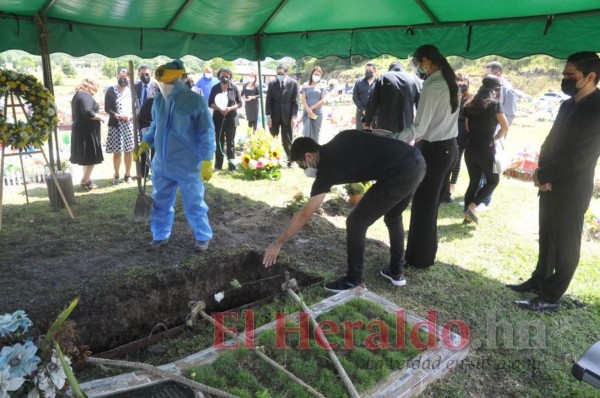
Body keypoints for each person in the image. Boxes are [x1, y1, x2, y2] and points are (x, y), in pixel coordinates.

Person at [262, 130, 426, 292]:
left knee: (356, 223)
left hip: (399, 173)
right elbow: (379, 133)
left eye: (302, 165)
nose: (304, 169)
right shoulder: (341, 137)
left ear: (308, 156)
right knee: (393, 217)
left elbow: (305, 213)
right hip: (416, 160)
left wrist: (278, 243)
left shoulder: (326, 169)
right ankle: (396, 272)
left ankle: (354, 280)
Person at [507, 52, 600, 312]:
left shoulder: (598, 107)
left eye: (571, 76)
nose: (565, 80)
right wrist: (540, 172)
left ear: (591, 77)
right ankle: (539, 279)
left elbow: (581, 156)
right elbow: (550, 140)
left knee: (566, 244)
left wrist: (546, 176)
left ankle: (550, 296)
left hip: (572, 187)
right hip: (548, 182)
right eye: (564, 74)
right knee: (547, 235)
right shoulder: (567, 104)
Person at [134, 59, 216, 252]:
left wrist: (206, 160)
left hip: (188, 164)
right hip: (162, 164)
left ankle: (202, 236)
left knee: (194, 203)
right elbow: (156, 126)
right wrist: (146, 142)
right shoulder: (159, 101)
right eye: (162, 83)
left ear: (179, 79)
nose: (164, 86)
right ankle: (160, 235)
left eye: (168, 82)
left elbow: (207, 132)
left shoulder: (195, 101)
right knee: (160, 202)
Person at [391, 44, 459, 268]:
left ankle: (418, 258)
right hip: (448, 147)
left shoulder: (433, 85)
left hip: (436, 150)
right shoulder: (449, 81)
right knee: (430, 205)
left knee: (423, 205)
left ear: (426, 62)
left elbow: (419, 128)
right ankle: (425, 254)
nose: (417, 68)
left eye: (418, 63)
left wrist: (393, 137)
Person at [462, 75, 509, 223]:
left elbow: (467, 127)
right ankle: (472, 206)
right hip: (488, 151)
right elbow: (505, 127)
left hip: (470, 150)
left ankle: (467, 216)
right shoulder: (495, 105)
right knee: (493, 180)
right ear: (496, 89)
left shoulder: (470, 104)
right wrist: (494, 138)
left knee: (473, 182)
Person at [478, 61, 518, 209]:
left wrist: (497, 136)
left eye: (487, 74)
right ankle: (478, 197)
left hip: (495, 137)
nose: (484, 77)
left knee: (491, 170)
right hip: (485, 135)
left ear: (498, 74)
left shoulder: (507, 91)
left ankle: (485, 201)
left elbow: (510, 115)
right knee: (481, 167)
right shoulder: (489, 88)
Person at [363, 61, 421, 134]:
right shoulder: (413, 80)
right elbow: (420, 105)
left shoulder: (382, 78)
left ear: (390, 69)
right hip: (406, 126)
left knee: (386, 145)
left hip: (385, 127)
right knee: (403, 145)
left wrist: (367, 122)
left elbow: (372, 103)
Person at [69, 77, 105, 191]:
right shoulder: (85, 95)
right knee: (90, 157)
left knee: (87, 157)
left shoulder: (78, 95)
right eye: (96, 87)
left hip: (82, 128)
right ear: (90, 86)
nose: (96, 90)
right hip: (86, 130)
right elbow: (89, 113)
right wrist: (102, 117)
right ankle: (84, 181)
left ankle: (87, 180)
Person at [442, 72, 472, 203]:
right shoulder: (448, 95)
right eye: (459, 80)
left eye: (464, 81)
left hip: (462, 134)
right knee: (446, 161)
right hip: (447, 132)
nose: (461, 83)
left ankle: (451, 187)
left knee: (456, 161)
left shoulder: (471, 99)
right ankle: (444, 188)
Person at [208, 67, 242, 171]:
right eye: (222, 76)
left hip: (231, 119)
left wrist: (229, 108)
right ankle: (218, 166)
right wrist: (219, 108)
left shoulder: (234, 88)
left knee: (231, 142)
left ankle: (232, 166)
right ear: (219, 76)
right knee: (219, 142)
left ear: (230, 77)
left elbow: (240, 103)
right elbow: (210, 103)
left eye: (227, 76)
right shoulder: (215, 88)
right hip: (218, 119)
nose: (225, 78)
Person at [265, 63, 299, 165]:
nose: (279, 75)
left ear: (286, 73)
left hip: (287, 117)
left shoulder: (293, 83)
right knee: (272, 138)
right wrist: (268, 116)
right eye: (277, 73)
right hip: (274, 116)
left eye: (281, 73)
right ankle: (272, 160)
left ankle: (290, 160)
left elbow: (296, 102)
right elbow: (268, 101)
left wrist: (294, 117)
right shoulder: (272, 83)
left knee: (287, 140)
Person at [105, 68, 134, 184]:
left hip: (128, 125)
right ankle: (116, 174)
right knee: (117, 152)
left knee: (129, 151)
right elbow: (107, 108)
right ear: (117, 77)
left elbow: (136, 107)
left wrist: (131, 116)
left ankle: (128, 175)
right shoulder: (111, 90)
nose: (123, 80)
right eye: (121, 78)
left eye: (125, 78)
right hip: (116, 125)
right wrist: (117, 115)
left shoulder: (131, 91)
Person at [135, 64, 159, 177]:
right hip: (141, 121)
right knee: (143, 146)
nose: (145, 76)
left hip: (154, 120)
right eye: (142, 74)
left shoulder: (157, 86)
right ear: (138, 75)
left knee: (154, 146)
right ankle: (143, 172)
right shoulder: (135, 87)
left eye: (147, 74)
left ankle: (155, 171)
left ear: (151, 74)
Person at [300, 66, 327, 143]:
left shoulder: (322, 86)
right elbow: (303, 99)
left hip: (317, 113)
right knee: (306, 133)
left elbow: (323, 100)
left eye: (318, 75)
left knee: (316, 133)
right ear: (312, 74)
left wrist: (312, 108)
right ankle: (307, 151)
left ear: (320, 76)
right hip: (307, 113)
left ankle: (316, 150)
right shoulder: (305, 85)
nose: (316, 76)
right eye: (315, 74)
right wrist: (308, 110)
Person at [352, 62, 377, 130]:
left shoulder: (378, 82)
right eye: (366, 70)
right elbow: (355, 97)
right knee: (360, 135)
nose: (368, 72)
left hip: (374, 115)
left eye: (370, 71)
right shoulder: (359, 82)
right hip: (361, 114)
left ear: (374, 71)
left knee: (375, 134)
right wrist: (362, 109)